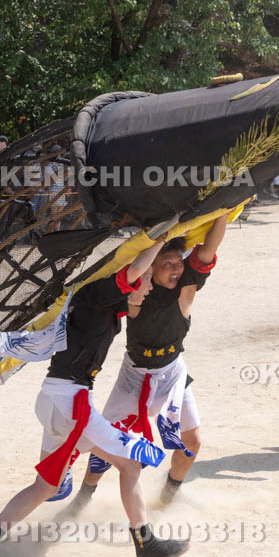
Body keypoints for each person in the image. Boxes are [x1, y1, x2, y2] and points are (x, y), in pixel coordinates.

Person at [0, 240, 193, 557]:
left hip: (55, 401)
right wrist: (159, 239)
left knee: (47, 485)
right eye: (143, 283)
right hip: (72, 404)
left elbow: (134, 287)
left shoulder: (107, 305)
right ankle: (146, 544)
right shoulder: (97, 294)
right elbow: (134, 271)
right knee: (131, 465)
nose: (147, 291)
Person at [74, 216, 227, 507]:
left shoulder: (186, 287)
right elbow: (136, 271)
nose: (174, 268)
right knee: (108, 439)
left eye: (177, 262)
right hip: (134, 377)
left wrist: (224, 211)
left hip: (172, 373)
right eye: (166, 263)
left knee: (192, 442)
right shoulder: (136, 294)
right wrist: (157, 241)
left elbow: (209, 248)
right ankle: (84, 496)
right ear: (152, 267)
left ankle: (169, 493)